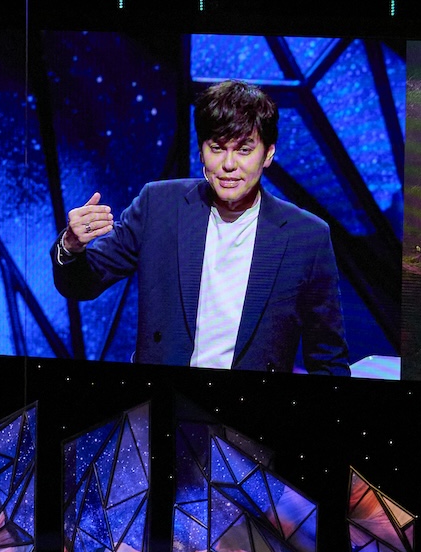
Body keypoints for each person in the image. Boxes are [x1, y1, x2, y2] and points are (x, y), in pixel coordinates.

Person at [51, 79, 348, 376]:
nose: (229, 164)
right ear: (202, 152)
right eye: (217, 148)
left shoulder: (306, 237)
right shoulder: (159, 205)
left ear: (268, 153)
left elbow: (328, 359)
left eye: (244, 150)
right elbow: (81, 284)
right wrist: (71, 246)